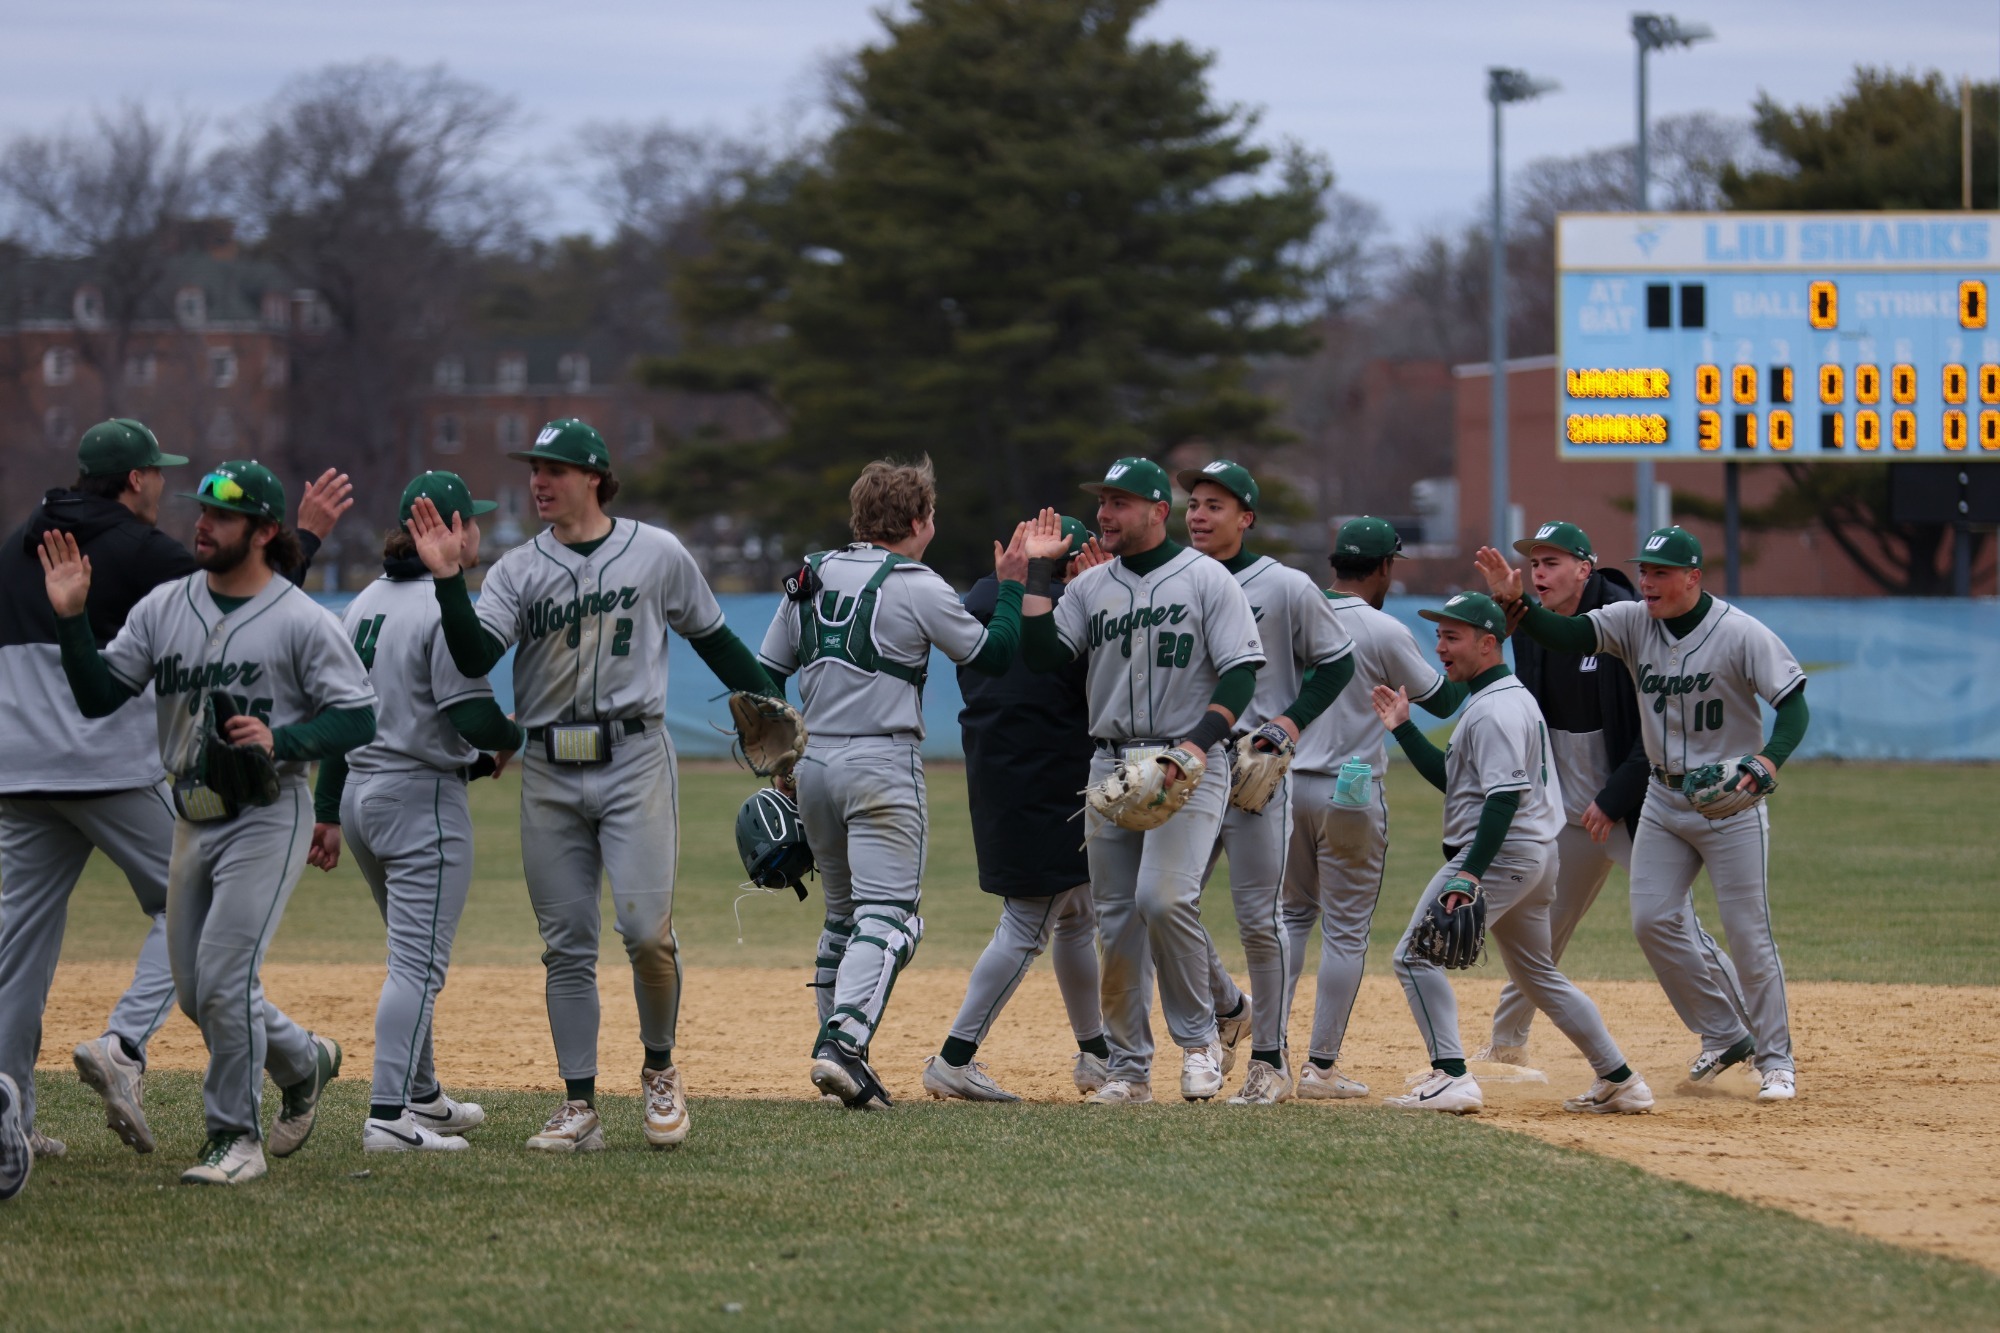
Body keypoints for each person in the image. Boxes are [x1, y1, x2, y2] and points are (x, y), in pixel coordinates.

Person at [410, 418, 777, 1151]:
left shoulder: (657, 552)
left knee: (646, 933)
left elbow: (715, 638)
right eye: (535, 469)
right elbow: (476, 648)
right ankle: (579, 1104)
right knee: (566, 944)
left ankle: (660, 1070)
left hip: (634, 757)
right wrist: (450, 578)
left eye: (556, 469)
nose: (539, 481)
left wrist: (773, 706)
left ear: (595, 477)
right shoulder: (517, 568)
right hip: (547, 767)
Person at [0, 419, 348, 1168]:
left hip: (26, 769)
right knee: (195, 960)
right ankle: (167, 1046)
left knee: (25, 953)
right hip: (127, 777)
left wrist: (283, 742)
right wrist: (307, 540)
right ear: (135, 480)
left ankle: (27, 1120)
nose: (188, 509)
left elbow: (280, 634)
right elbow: (236, 608)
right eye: (164, 478)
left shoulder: (16, 541)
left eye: (218, 511)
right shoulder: (149, 564)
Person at [1475, 526, 1809, 1102]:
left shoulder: (1741, 633)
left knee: (1748, 934)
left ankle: (1776, 1061)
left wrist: (1769, 761)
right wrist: (1515, 600)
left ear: (1693, 578)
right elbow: (1566, 632)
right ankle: (1725, 1035)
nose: (1648, 582)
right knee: (1652, 921)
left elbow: (1794, 705)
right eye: (1645, 571)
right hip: (1661, 798)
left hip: (1731, 804)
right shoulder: (1632, 622)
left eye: (1660, 573)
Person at [758, 459, 1032, 1110]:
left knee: (843, 916)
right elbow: (991, 653)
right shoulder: (915, 582)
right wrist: (1013, 586)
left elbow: (767, 671)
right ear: (916, 521)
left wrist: (781, 759)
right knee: (893, 919)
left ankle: (837, 1060)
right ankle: (843, 1045)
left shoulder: (812, 572)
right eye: (930, 515)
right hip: (882, 762)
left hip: (816, 761)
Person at [1020, 460, 1265, 1106]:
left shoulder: (1207, 579)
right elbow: (1044, 654)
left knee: (1163, 898)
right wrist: (1040, 574)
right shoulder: (1091, 585)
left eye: (1119, 502)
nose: (1105, 513)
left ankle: (1202, 1039)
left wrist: (1195, 746)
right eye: (1102, 500)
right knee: (1117, 918)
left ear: (1159, 509)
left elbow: (1241, 673)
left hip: (1188, 760)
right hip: (1110, 762)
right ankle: (1129, 1068)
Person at [1371, 592, 1654, 1117]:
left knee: (1413, 957)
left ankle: (1450, 1078)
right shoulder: (1499, 696)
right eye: (1439, 635)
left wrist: (1468, 875)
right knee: (1537, 975)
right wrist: (1404, 728)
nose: (1440, 647)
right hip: (1533, 855)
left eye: (1452, 637)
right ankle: (1621, 1079)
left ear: (1488, 642)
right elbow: (1455, 782)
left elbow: (1502, 800)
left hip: (1502, 854)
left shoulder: (1498, 708)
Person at [309, 471, 526, 1151]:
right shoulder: (443, 604)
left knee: (407, 952)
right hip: (417, 797)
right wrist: (520, 735)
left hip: (363, 793)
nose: (480, 533)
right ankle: (386, 1115)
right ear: (452, 527)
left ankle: (422, 1094)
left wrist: (326, 808)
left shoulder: (364, 601)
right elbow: (471, 714)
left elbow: (342, 715)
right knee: (417, 965)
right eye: (475, 521)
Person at [1176, 461, 1355, 1105]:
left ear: (1246, 517)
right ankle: (1227, 1006)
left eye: (1215, 505)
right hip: (1187, 767)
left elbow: (1337, 662)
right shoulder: (1173, 581)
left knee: (1259, 919)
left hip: (1254, 767)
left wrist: (1289, 722)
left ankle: (1269, 1061)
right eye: (1193, 503)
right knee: (1164, 905)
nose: (1198, 514)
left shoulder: (1284, 586)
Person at [1277, 517, 1466, 1099]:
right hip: (1352, 788)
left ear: (1335, 563)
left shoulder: (1293, 614)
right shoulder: (1383, 629)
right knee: (1346, 934)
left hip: (1286, 785)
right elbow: (1445, 700)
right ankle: (1320, 1067)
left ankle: (1269, 1059)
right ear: (1385, 567)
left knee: (1288, 921)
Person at [922, 516, 1109, 1103]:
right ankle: (955, 1057)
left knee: (1075, 914)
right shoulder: (1060, 616)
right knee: (1028, 923)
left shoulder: (985, 602)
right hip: (1050, 779)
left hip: (999, 773)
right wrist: (1102, 598)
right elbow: (1093, 683)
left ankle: (1095, 1052)